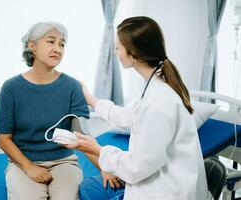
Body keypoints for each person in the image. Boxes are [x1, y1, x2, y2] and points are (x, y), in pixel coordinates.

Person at [64, 16, 208, 200]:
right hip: (158, 183)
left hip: (167, 192)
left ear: (135, 53)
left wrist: (97, 149)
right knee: (89, 188)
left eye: (118, 47)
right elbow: (127, 116)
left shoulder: (157, 102)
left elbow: (136, 168)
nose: (115, 51)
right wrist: (91, 100)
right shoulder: (155, 86)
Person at [0, 21, 89, 200]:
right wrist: (29, 167)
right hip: (23, 162)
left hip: (64, 162)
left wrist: (104, 168)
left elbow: (83, 135)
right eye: (51, 41)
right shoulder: (11, 88)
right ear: (32, 46)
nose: (58, 49)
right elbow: (4, 140)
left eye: (62, 44)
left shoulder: (72, 86)